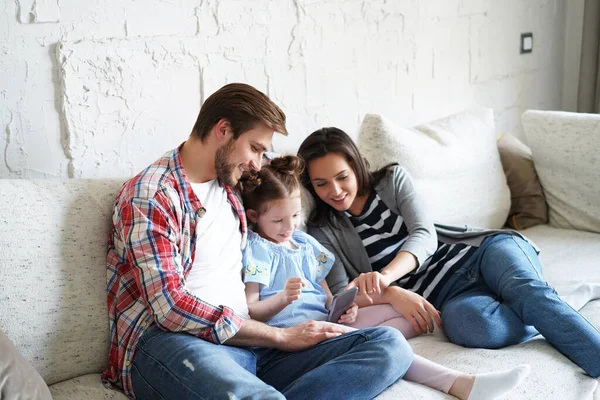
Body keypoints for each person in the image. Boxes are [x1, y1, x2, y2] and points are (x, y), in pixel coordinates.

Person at [101, 84, 414, 400]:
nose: (258, 162)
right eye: (255, 147)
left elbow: (291, 193)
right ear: (223, 130)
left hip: (252, 346)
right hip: (175, 344)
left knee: (388, 346)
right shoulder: (152, 196)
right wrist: (279, 336)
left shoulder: (233, 185)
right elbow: (169, 309)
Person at [296, 126, 600, 381]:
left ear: (356, 166)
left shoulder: (392, 180)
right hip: (450, 296)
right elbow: (340, 295)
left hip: (481, 253)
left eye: (342, 177)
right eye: (321, 184)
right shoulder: (323, 229)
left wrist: (386, 277)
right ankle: (548, 307)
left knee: (527, 293)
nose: (334, 190)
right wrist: (392, 294)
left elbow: (424, 235)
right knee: (468, 326)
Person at [238, 155, 530, 400]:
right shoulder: (258, 252)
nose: (288, 226)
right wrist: (282, 299)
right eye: (277, 220)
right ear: (253, 216)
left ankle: (366, 344)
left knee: (402, 314)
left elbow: (327, 298)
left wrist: (344, 307)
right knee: (389, 340)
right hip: (295, 336)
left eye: (294, 216)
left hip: (324, 324)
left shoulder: (306, 245)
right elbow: (252, 310)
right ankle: (460, 383)